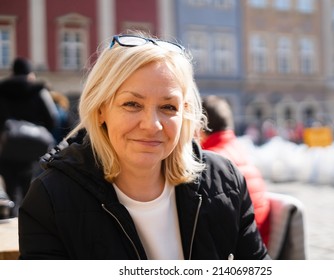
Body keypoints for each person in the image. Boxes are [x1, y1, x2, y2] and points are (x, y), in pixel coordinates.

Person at [18, 32, 270, 260]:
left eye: (168, 107)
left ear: (184, 113)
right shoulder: (50, 197)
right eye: (132, 104)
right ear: (101, 109)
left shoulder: (224, 179)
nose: (152, 125)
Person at [200, 95, 271, 246]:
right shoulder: (240, 149)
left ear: (200, 127)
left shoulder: (211, 161)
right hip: (258, 240)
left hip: (239, 250)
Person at [0, 57, 58, 217]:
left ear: (12, 72)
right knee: (31, 186)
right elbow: (53, 118)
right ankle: (29, 220)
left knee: (11, 187)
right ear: (30, 73)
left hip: (6, 148)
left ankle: (12, 214)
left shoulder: (2, 90)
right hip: (34, 147)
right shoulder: (39, 90)